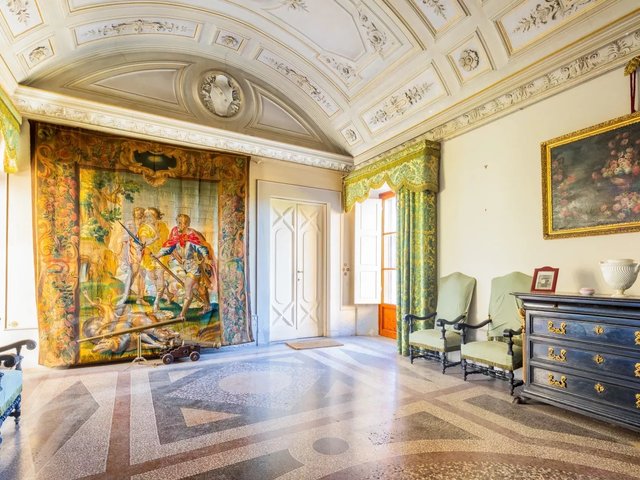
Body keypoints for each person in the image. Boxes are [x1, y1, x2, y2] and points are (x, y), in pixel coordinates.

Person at [156, 214, 216, 318]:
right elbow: (168, 248)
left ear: (187, 224)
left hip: (195, 267)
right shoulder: (176, 237)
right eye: (178, 222)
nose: (179, 225)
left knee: (188, 287)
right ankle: (207, 306)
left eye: (181, 223)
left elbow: (202, 248)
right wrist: (156, 255)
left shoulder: (192, 237)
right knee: (198, 287)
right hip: (186, 267)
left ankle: (182, 315)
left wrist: (206, 258)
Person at [138, 207, 169, 311]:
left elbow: (166, 241)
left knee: (160, 279)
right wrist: (155, 238)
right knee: (153, 279)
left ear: (156, 216)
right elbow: (144, 242)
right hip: (149, 257)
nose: (147, 218)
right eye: (146, 216)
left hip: (160, 256)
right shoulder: (143, 228)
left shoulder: (163, 226)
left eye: (150, 216)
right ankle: (166, 292)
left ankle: (156, 302)